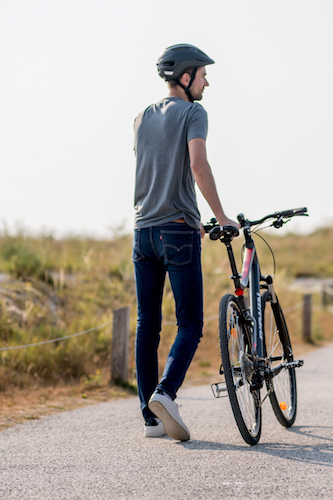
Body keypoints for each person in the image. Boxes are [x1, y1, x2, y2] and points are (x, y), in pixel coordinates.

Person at [132, 44, 236, 441]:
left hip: (142, 232)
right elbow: (197, 164)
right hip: (177, 229)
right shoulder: (194, 112)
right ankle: (166, 392)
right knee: (190, 323)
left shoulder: (141, 117)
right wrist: (221, 217)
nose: (207, 80)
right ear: (186, 76)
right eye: (203, 73)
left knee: (148, 326)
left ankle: (150, 420)